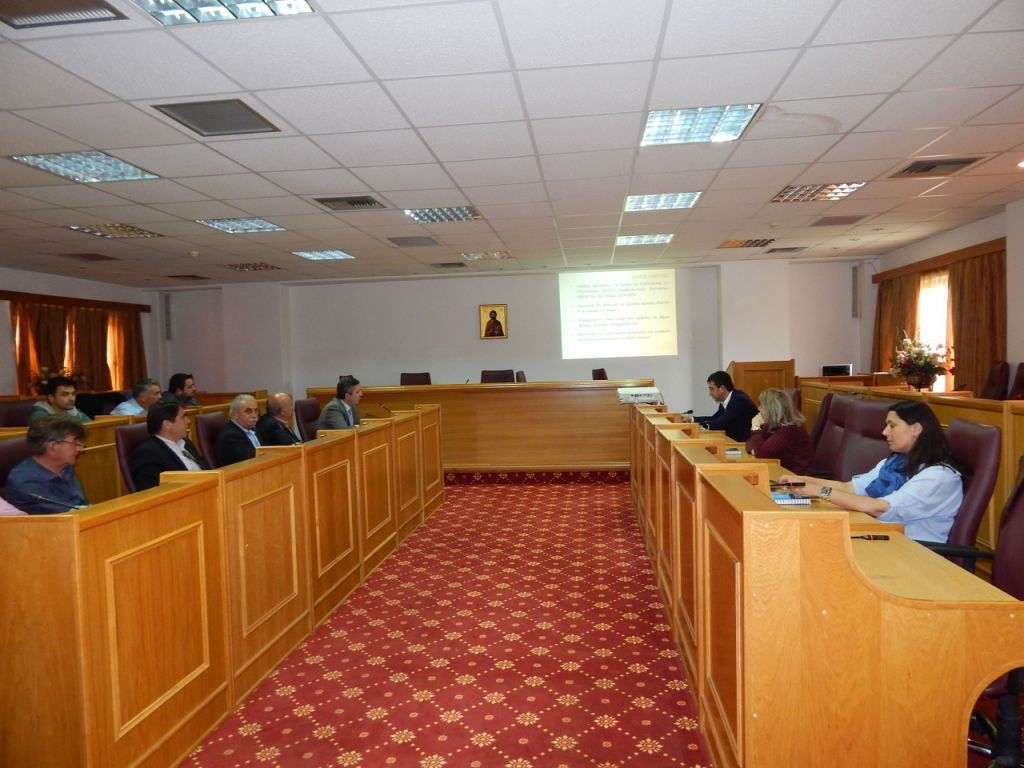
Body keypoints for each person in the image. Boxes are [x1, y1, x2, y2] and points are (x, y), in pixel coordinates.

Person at [780, 400, 962, 543]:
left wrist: (819, 491)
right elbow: (850, 488)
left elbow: (879, 508)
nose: (884, 432)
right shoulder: (896, 462)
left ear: (915, 429)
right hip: (884, 537)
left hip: (916, 552)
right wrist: (802, 480)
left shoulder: (939, 477)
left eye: (892, 425)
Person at [3, 415, 89, 514]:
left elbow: (81, 503)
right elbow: (68, 515)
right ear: (53, 446)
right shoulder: (25, 482)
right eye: (75, 443)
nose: (80, 448)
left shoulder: (64, 466)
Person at [130, 400, 207, 491]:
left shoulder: (186, 443)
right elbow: (150, 491)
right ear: (167, 424)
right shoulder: (147, 454)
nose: (188, 421)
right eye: (183, 417)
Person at [746, 388, 813, 474]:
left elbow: (761, 453)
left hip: (796, 477)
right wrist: (756, 448)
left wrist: (755, 426)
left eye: (762, 406)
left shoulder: (790, 429)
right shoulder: (772, 425)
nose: (758, 409)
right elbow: (750, 444)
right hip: (780, 471)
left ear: (771, 410)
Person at [684, 370, 758, 442]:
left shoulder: (739, 400)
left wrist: (696, 426)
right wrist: (692, 419)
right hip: (735, 441)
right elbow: (714, 418)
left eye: (712, 389)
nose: (710, 393)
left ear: (722, 388)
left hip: (746, 444)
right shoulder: (727, 400)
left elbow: (720, 423)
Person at [215, 394, 261, 466]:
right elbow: (250, 460)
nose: (254, 415)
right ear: (235, 414)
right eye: (248, 411)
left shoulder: (253, 429)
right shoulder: (230, 436)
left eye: (256, 410)